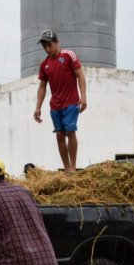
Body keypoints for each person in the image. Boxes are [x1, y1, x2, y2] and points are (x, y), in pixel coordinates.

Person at [33, 29, 87, 173]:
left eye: (49, 45)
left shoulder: (69, 56)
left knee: (70, 131)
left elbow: (80, 75)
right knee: (59, 135)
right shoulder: (44, 65)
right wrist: (38, 107)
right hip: (55, 106)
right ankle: (66, 167)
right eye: (44, 46)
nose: (47, 49)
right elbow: (42, 87)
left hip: (71, 102)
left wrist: (83, 96)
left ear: (57, 42)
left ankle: (73, 167)